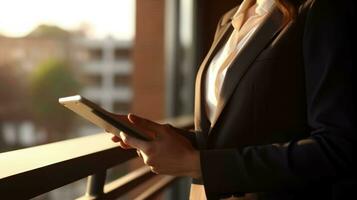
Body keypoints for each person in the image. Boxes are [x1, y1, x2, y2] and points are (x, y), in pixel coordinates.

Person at [109, 0, 356, 199]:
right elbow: (230, 130)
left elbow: (336, 147)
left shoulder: (320, 11)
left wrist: (196, 163)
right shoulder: (230, 19)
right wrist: (167, 137)